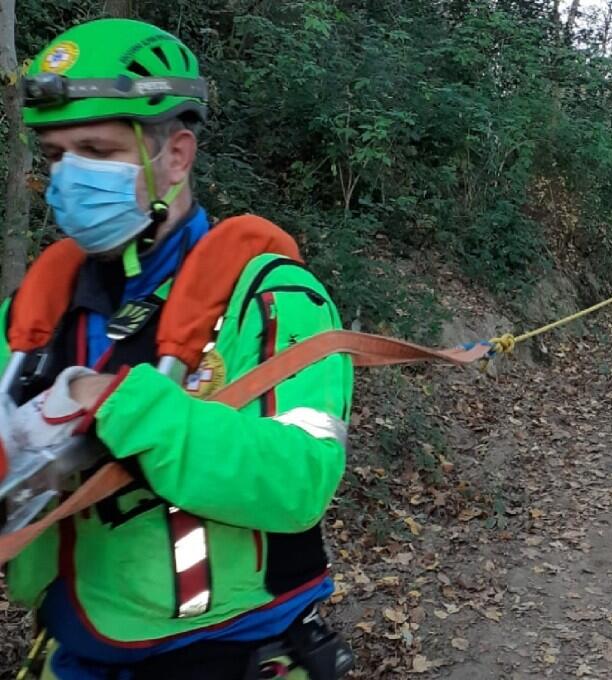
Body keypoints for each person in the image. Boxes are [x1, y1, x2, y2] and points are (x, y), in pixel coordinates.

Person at [2, 19, 353, 678]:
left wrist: (117, 402)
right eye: (54, 156)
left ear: (177, 155)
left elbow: (300, 477)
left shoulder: (272, 296)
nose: (68, 179)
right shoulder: (33, 313)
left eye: (96, 150)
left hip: (230, 648)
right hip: (72, 644)